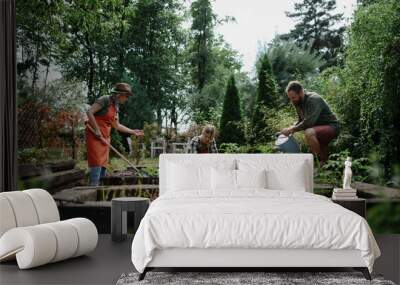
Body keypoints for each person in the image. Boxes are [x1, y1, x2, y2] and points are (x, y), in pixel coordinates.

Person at [86, 83, 144, 186]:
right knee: (97, 162)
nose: (126, 99)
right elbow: (89, 112)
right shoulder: (105, 100)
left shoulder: (116, 106)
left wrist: (132, 131)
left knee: (103, 163)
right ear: (119, 95)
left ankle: (101, 187)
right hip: (95, 135)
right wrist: (96, 129)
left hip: (105, 137)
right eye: (126, 96)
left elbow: (117, 126)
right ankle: (93, 187)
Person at [281, 81, 339, 164]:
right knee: (308, 133)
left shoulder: (313, 99)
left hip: (331, 127)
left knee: (309, 132)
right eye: (290, 98)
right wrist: (290, 128)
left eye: (293, 97)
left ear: (301, 92)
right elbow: (301, 120)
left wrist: (292, 129)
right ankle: (324, 162)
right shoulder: (298, 102)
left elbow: (308, 122)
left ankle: (319, 162)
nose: (291, 101)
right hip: (317, 128)